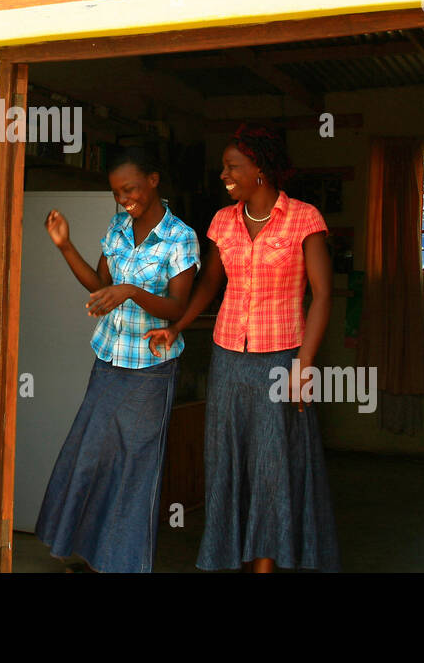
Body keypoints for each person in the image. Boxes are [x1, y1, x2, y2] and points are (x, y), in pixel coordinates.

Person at [148, 123, 339, 572]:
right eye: (223, 168)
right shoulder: (222, 221)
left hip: (281, 359)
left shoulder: (304, 218)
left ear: (261, 169)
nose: (224, 175)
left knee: (273, 467)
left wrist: (304, 366)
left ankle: (266, 566)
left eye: (233, 167)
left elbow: (323, 294)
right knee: (227, 463)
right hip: (229, 358)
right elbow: (210, 283)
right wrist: (178, 326)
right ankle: (227, 556)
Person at [35, 146, 200, 572]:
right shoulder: (118, 227)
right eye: (116, 192)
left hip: (151, 371)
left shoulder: (180, 237)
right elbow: (99, 284)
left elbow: (178, 308)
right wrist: (65, 245)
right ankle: (92, 557)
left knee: (133, 473)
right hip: (109, 363)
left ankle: (121, 565)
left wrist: (129, 291)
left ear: (153, 180)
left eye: (130, 188)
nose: (124, 198)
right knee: (92, 459)